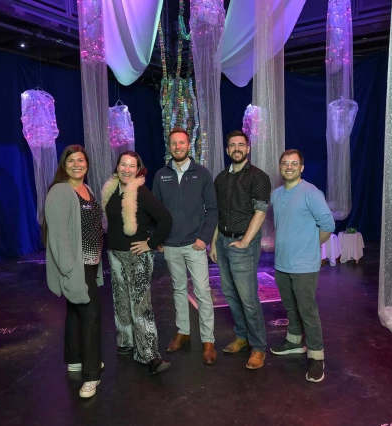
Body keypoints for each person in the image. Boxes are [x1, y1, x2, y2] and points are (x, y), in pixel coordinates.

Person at [101, 151, 173, 375]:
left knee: (141, 306)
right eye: (123, 165)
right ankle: (126, 342)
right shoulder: (112, 190)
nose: (127, 169)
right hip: (114, 253)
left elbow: (165, 218)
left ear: (138, 169)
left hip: (137, 256)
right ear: (117, 166)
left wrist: (151, 244)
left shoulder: (141, 192)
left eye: (132, 166)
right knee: (121, 300)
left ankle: (150, 355)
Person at [153, 127, 218, 365]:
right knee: (179, 290)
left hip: (195, 244)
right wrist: (157, 238)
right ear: (169, 147)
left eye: (182, 143)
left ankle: (208, 340)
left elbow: (212, 209)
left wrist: (205, 237)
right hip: (170, 245)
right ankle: (183, 332)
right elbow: (155, 210)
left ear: (188, 145)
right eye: (173, 144)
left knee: (202, 292)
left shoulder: (201, 173)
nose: (178, 147)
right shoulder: (161, 175)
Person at [270, 149, 335, 383]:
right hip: (282, 264)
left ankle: (317, 357)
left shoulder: (311, 192)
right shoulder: (276, 194)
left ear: (302, 167)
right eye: (285, 163)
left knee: (307, 310)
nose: (289, 167)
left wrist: (309, 245)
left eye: (294, 163)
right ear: (280, 167)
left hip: (304, 265)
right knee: (290, 307)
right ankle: (294, 341)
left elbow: (328, 225)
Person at [44, 145, 104, 398]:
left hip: (90, 263)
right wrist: (70, 271)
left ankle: (76, 359)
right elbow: (58, 238)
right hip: (76, 267)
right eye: (71, 161)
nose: (77, 164)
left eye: (81, 160)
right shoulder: (60, 191)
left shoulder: (87, 189)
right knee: (91, 315)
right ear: (64, 165)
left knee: (76, 312)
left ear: (87, 164)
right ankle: (91, 375)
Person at [209, 130, 272, 370]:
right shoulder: (220, 179)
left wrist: (245, 241)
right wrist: (214, 242)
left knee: (248, 298)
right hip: (223, 242)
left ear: (248, 149)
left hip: (243, 244)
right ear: (227, 150)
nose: (236, 148)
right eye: (232, 145)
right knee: (230, 294)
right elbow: (217, 214)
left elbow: (260, 211)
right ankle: (242, 336)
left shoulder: (258, 177)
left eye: (241, 145)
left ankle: (258, 347)